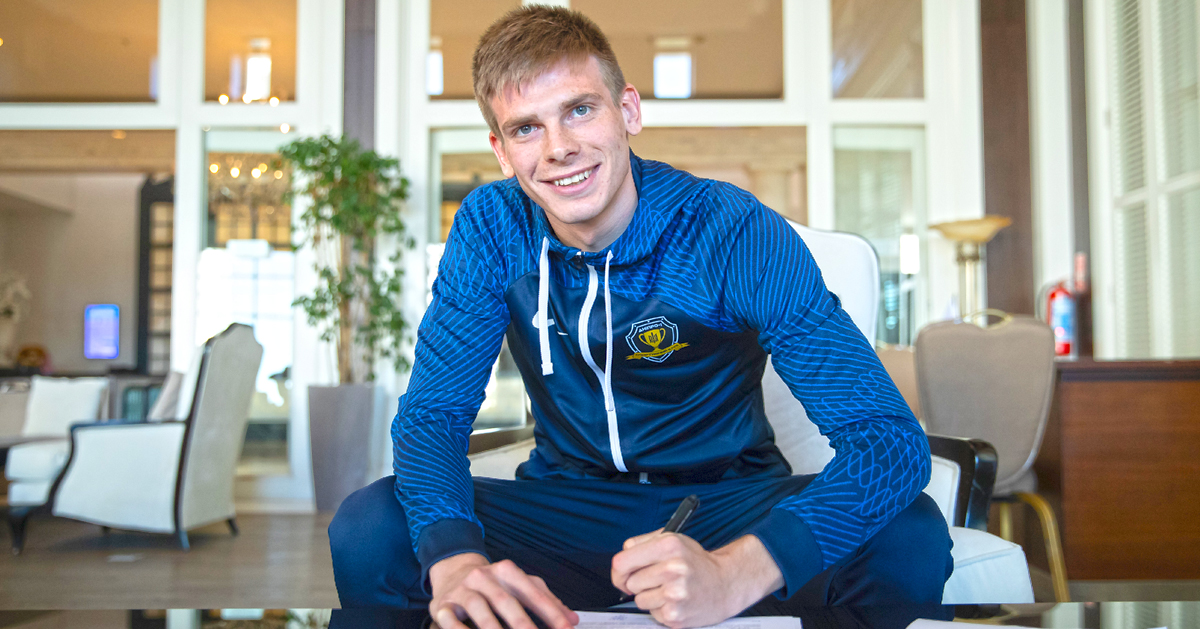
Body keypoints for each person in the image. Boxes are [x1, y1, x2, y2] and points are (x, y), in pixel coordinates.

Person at [329, 6, 953, 629]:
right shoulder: (492, 228)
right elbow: (433, 416)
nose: (559, 148)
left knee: (908, 529)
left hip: (726, 506)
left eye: (580, 110)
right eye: (526, 128)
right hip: (568, 509)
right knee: (371, 524)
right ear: (501, 151)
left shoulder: (731, 231)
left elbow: (888, 440)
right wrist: (456, 561)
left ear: (627, 111)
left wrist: (736, 571)